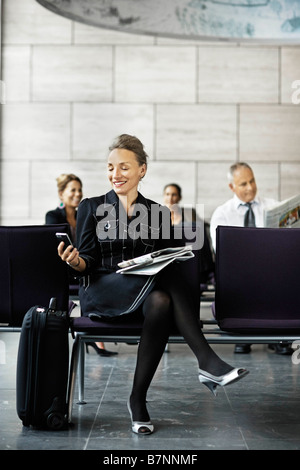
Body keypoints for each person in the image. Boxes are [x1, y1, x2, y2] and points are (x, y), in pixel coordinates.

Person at [57, 134, 248, 435]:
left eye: (123, 167)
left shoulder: (158, 212)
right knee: (164, 282)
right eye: (110, 168)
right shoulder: (90, 207)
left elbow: (171, 259)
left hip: (145, 296)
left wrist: (173, 253)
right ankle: (206, 360)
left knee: (161, 299)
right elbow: (88, 261)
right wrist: (74, 261)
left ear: (141, 170)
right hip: (103, 290)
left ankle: (138, 399)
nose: (115, 174)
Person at [210, 162, 293, 355]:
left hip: (272, 272)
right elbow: (221, 253)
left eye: (253, 181)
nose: (251, 187)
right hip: (241, 276)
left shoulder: (272, 206)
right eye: (244, 184)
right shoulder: (222, 214)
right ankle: (244, 333)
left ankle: (279, 335)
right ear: (232, 187)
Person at [46, 173, 117, 357]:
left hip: (84, 266)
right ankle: (97, 335)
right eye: (73, 190)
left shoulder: (85, 214)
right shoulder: (53, 216)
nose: (77, 194)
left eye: (80, 190)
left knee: (100, 273)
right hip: (64, 268)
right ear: (61, 194)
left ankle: (104, 327)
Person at [163, 183, 215, 285]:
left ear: (179, 197)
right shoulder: (159, 215)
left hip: (189, 252)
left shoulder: (188, 212)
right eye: (167, 194)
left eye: (174, 194)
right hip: (170, 253)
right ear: (164, 196)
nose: (170, 198)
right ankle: (208, 273)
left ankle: (206, 272)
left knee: (199, 229)